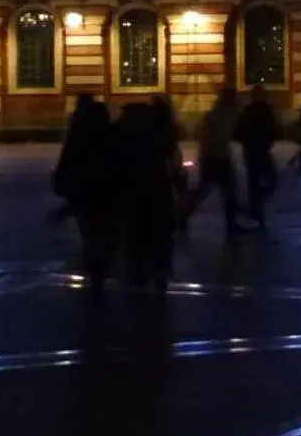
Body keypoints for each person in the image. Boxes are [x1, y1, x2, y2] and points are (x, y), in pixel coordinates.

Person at [53, 95, 121, 292]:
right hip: (108, 194)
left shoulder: (78, 137)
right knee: (105, 234)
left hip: (85, 194)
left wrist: (65, 189)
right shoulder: (112, 136)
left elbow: (67, 164)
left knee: (90, 235)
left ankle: (94, 272)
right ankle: (100, 268)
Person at [115, 101, 177, 292]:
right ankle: (160, 272)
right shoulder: (159, 134)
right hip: (158, 188)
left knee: (137, 235)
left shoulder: (124, 134)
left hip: (135, 191)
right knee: (160, 233)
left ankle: (139, 275)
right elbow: (173, 158)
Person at [187, 88, 249, 237]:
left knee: (214, 190)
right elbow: (213, 137)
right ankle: (231, 224)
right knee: (222, 191)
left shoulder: (219, 114)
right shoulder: (220, 115)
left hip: (216, 157)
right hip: (216, 158)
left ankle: (183, 214)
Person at [235, 87, 280, 235]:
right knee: (271, 180)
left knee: (254, 181)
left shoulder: (247, 111)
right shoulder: (264, 111)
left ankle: (255, 206)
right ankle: (256, 206)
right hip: (260, 150)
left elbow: (238, 131)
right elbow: (272, 128)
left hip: (251, 150)